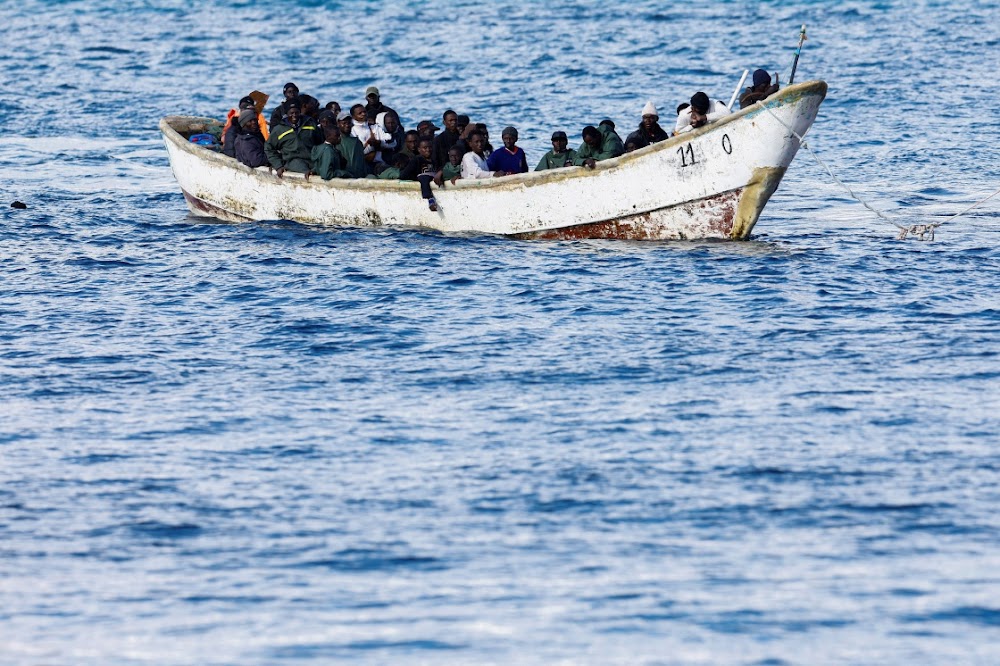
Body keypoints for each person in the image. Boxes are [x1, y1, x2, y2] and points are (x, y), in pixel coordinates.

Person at [264, 100, 319, 176]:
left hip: (311, 158)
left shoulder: (310, 123)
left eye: (297, 112)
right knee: (305, 170)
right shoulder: (279, 129)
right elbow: (268, 148)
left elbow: (320, 142)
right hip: (292, 161)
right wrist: (278, 165)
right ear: (287, 114)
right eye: (291, 113)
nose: (294, 115)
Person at [401, 137, 440, 211]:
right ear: (419, 149)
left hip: (434, 177)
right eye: (425, 148)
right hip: (423, 179)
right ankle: (430, 199)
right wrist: (416, 178)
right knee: (424, 177)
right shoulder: (417, 160)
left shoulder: (435, 159)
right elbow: (404, 174)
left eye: (430, 147)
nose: (428, 150)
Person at [335, 111, 367, 178]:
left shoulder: (357, 142)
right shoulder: (335, 141)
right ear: (338, 124)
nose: (347, 125)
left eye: (349, 123)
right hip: (343, 175)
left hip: (358, 176)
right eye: (344, 123)